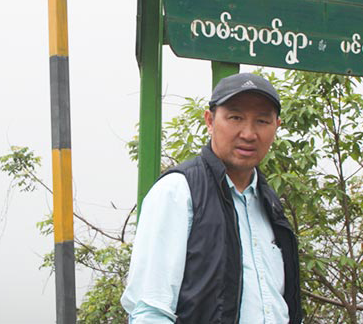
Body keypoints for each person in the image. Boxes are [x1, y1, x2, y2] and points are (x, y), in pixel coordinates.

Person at [121, 73, 303, 323]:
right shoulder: (179, 191)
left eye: (262, 121)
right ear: (210, 120)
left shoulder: (270, 202)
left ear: (276, 127)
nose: (249, 134)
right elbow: (150, 311)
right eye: (235, 118)